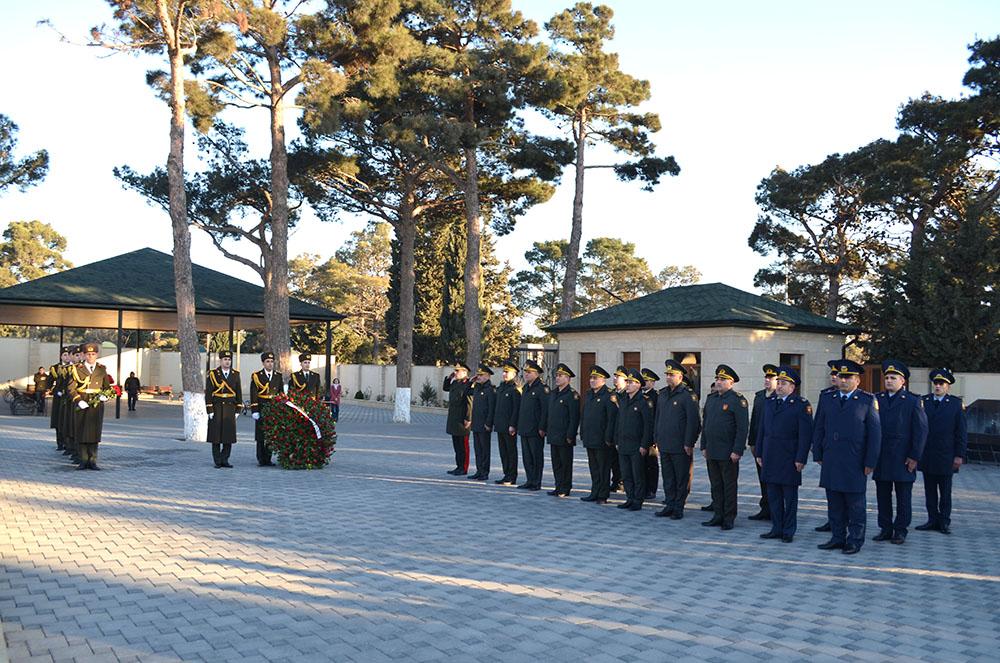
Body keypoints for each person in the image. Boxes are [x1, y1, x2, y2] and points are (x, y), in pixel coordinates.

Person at [813, 359, 881, 555]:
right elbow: (819, 427)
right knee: (834, 502)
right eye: (841, 377)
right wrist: (817, 452)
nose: (843, 380)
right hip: (832, 459)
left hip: (855, 460)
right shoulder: (828, 398)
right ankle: (837, 537)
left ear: (857, 380)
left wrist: (870, 461)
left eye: (848, 377)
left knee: (855, 504)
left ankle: (855, 540)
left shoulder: (867, 400)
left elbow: (875, 434)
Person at [754, 365, 813, 543]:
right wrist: (759, 452)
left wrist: (801, 458)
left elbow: (805, 435)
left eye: (783, 383)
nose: (779, 386)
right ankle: (776, 528)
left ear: (792, 387)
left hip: (789, 457)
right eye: (778, 382)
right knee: (773, 496)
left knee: (789, 497)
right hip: (770, 455)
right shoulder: (770, 402)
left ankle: (788, 530)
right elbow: (762, 430)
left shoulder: (801, 405)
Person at [873, 360, 927, 545]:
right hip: (882, 456)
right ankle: (885, 528)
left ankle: (901, 530)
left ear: (903, 381)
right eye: (887, 377)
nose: (889, 381)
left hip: (903, 457)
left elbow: (921, 431)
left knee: (903, 496)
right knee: (883, 495)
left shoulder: (912, 400)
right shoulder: (876, 399)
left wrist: (914, 456)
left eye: (893, 378)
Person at [916, 368, 968, 535]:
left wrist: (959, 455)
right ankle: (932, 519)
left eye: (941, 384)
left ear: (948, 386)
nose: (938, 386)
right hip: (928, 454)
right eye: (936, 383)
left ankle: (944, 521)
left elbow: (961, 432)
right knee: (929, 490)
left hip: (946, 454)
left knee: (945, 491)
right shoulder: (924, 401)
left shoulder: (955, 404)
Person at [700, 365, 749, 530]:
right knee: (715, 485)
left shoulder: (737, 400)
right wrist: (703, 445)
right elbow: (706, 424)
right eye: (717, 379)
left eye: (722, 379)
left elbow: (742, 428)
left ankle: (729, 517)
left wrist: (737, 450)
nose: (718, 382)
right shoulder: (712, 399)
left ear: (731, 382)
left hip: (728, 452)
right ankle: (718, 514)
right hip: (712, 450)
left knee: (728, 486)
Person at [654, 359, 701, 520]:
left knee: (681, 477)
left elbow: (693, 422)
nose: (668, 377)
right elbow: (658, 418)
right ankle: (670, 504)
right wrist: (656, 438)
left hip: (680, 445)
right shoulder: (662, 394)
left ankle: (679, 507)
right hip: (664, 443)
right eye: (667, 374)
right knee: (668, 477)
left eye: (671, 375)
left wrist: (689, 443)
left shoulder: (687, 395)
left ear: (680, 377)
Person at [67, 342, 113, 470]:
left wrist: (105, 396)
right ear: (83, 355)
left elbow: (106, 387)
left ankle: (92, 461)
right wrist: (78, 400)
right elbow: (71, 388)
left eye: (93, 354)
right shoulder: (77, 369)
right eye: (88, 354)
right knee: (81, 431)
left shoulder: (101, 369)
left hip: (96, 403)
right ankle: (83, 460)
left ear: (97, 355)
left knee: (94, 432)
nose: (90, 356)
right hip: (82, 401)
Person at [615, 368, 653, 511]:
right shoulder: (624, 400)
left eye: (631, 382)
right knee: (626, 474)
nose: (628, 384)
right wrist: (617, 440)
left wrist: (644, 444)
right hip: (623, 443)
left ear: (638, 385)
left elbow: (648, 425)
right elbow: (619, 422)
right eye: (627, 382)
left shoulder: (644, 401)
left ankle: (638, 500)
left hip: (637, 445)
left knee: (638, 475)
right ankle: (630, 498)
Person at [580, 365, 617, 504]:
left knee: (603, 468)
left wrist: (608, 437)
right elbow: (584, 415)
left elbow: (611, 419)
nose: (592, 380)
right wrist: (582, 432)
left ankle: (603, 494)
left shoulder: (608, 395)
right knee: (594, 468)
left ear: (603, 380)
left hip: (602, 440)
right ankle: (594, 492)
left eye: (595, 378)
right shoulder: (589, 394)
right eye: (591, 378)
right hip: (590, 437)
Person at [747, 364, 778, 521]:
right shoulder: (759, 396)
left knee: (774, 479)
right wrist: (752, 442)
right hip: (759, 444)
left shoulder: (779, 397)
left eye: (771, 378)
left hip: (773, 446)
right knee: (762, 478)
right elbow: (754, 421)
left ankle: (776, 511)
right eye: (766, 377)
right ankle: (765, 508)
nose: (767, 380)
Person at [813, 361, 841, 532]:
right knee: (830, 487)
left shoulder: (860, 398)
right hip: (829, 450)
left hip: (847, 452)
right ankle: (833, 520)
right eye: (832, 374)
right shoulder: (825, 395)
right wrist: (817, 451)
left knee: (845, 490)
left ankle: (844, 521)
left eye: (837, 374)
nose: (834, 377)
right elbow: (819, 424)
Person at [546, 363, 580, 497]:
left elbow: (574, 417)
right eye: (557, 375)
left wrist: (570, 435)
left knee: (565, 463)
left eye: (560, 376)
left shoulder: (572, 395)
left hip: (564, 436)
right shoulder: (553, 393)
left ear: (568, 378)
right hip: (553, 434)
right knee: (556, 463)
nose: (557, 378)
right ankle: (558, 486)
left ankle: (565, 487)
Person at [206, 350, 242, 468]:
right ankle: (217, 460)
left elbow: (238, 392)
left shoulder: (235, 374)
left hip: (230, 407)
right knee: (216, 436)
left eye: (229, 359)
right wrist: (210, 409)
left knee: (228, 436)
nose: (227, 362)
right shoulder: (213, 374)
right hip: (217, 406)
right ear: (220, 361)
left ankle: (225, 459)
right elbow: (209, 392)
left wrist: (238, 409)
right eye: (225, 359)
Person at [517, 359, 549, 491]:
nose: (526, 374)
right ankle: (529, 480)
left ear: (537, 374)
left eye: (529, 372)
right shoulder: (525, 388)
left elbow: (545, 410)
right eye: (525, 372)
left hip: (535, 429)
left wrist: (542, 427)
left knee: (536, 457)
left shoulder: (542, 389)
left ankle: (536, 482)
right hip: (524, 427)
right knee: (527, 457)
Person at [250, 351, 284, 466]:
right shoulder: (257, 376)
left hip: (273, 407)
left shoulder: (278, 376)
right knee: (261, 435)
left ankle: (268, 458)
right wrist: (254, 410)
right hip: (261, 406)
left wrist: (281, 408)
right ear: (263, 363)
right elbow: (253, 393)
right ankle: (261, 458)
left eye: (271, 361)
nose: (270, 364)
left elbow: (281, 393)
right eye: (267, 361)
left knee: (271, 434)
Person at [466, 364, 496, 481]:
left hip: (484, 425)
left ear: (487, 376)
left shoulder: (490, 389)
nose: (478, 377)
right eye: (478, 375)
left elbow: (491, 408)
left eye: (481, 375)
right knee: (478, 450)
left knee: (484, 450)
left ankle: (484, 472)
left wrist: (488, 423)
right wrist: (470, 381)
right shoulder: (477, 387)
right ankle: (479, 471)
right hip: (476, 423)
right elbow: (466, 392)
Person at [493, 360, 521, 485]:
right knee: (503, 452)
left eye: (507, 372)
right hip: (500, 424)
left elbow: (516, 409)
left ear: (514, 374)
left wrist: (513, 425)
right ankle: (506, 474)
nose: (504, 374)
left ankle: (512, 476)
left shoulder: (514, 389)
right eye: (504, 372)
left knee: (511, 451)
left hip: (509, 426)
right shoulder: (501, 388)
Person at [443, 362, 473, 476]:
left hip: (462, 419)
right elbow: (446, 388)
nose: (455, 372)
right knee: (456, 445)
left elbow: (470, 403)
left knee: (463, 446)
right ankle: (458, 466)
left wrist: (468, 418)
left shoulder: (468, 384)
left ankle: (464, 468)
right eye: (455, 371)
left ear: (465, 372)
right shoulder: (455, 382)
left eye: (457, 371)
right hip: (454, 418)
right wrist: (449, 378)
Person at [640, 368, 660, 499]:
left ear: (652, 382)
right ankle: (643, 487)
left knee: (651, 464)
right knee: (642, 464)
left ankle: (652, 489)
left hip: (652, 436)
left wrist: (655, 437)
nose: (644, 383)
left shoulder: (656, 396)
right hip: (641, 435)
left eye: (647, 381)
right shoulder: (640, 396)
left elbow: (657, 418)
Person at [49, 347, 72, 451]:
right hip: (58, 397)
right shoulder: (55, 368)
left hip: (69, 396)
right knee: (58, 419)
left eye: (68, 355)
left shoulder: (73, 367)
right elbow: (49, 382)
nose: (67, 357)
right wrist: (54, 391)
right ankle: (60, 442)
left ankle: (68, 443)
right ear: (61, 356)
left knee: (67, 420)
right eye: (64, 355)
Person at [609, 366, 628, 492]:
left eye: (618, 377)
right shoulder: (612, 393)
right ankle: (616, 480)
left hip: (623, 432)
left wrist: (617, 403)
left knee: (623, 460)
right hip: (612, 431)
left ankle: (623, 481)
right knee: (613, 460)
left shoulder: (627, 394)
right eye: (615, 376)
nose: (615, 379)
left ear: (625, 380)